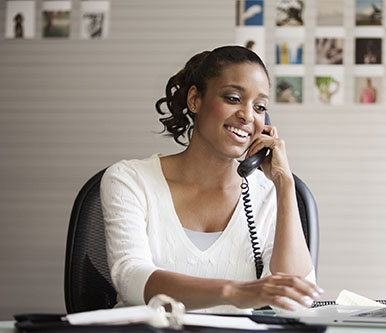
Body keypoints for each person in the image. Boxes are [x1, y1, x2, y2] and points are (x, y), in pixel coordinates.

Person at [100, 45, 322, 313]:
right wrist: (233, 293)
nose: (248, 115)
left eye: (260, 106)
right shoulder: (129, 180)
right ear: (195, 100)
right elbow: (130, 278)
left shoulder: (266, 193)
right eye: (232, 98)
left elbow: (296, 298)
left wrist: (284, 184)